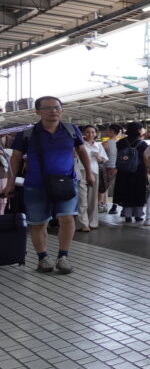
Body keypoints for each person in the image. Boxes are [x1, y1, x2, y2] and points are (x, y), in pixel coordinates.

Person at [1, 96, 93, 274]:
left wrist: (88, 173)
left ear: (62, 110)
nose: (54, 111)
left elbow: (82, 151)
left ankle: (63, 256)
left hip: (66, 183)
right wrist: (10, 184)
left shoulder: (71, 130)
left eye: (57, 107)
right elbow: (16, 158)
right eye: (48, 108)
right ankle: (43, 258)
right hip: (35, 185)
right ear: (38, 112)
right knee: (38, 223)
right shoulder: (27, 134)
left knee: (67, 218)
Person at [114, 122, 150, 223]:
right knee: (138, 192)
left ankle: (127, 215)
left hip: (123, 172)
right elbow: (145, 158)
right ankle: (138, 215)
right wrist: (148, 169)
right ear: (138, 130)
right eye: (142, 128)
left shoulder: (120, 142)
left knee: (126, 192)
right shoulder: (142, 144)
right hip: (138, 172)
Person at [75, 125, 107, 232]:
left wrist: (98, 157)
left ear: (96, 134)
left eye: (93, 132)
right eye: (88, 132)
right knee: (82, 198)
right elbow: (74, 157)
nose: (90, 134)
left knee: (93, 199)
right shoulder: (79, 144)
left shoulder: (98, 146)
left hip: (94, 172)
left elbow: (103, 160)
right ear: (84, 133)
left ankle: (93, 222)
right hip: (81, 171)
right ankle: (83, 224)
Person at [102, 123, 122, 216]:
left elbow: (100, 156)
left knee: (102, 188)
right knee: (117, 189)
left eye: (108, 130)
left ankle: (101, 205)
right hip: (118, 168)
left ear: (112, 132)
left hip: (108, 168)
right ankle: (114, 207)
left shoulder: (105, 143)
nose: (106, 132)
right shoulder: (122, 143)